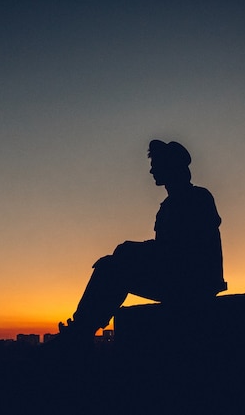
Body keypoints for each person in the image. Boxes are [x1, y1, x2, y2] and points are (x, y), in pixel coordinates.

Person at [54, 139, 226, 344]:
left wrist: (128, 251)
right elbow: (167, 251)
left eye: (155, 165)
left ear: (170, 167)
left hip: (193, 283)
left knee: (110, 269)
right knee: (111, 266)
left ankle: (79, 332)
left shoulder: (198, 198)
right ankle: (81, 329)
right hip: (182, 279)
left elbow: (180, 250)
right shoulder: (171, 205)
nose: (152, 171)